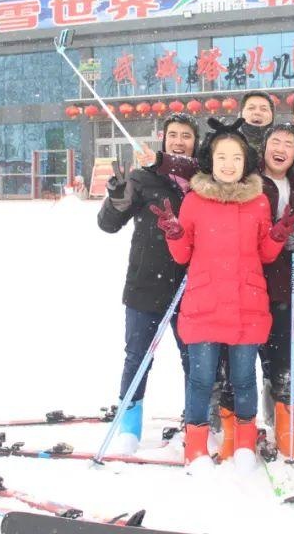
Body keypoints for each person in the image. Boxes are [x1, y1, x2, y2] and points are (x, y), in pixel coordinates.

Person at [153, 117, 294, 473]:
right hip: (204, 304)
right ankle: (196, 447)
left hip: (247, 305)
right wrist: (174, 232)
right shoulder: (194, 200)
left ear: (245, 162)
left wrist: (278, 235)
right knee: (202, 380)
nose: (229, 164)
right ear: (211, 160)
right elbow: (182, 255)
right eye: (222, 157)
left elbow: (265, 254)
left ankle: (246, 445)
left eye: (236, 158)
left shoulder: (258, 201)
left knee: (244, 379)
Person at [96, 115, 200, 453]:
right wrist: (117, 198)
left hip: (191, 286)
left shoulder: (204, 181)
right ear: (163, 139)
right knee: (137, 357)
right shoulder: (144, 178)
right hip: (146, 283)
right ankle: (129, 425)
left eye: (186, 136)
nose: (179, 141)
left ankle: (196, 422)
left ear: (195, 142)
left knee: (195, 359)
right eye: (173, 135)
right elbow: (109, 224)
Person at [255, 123, 294, 458]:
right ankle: (251, 419)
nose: (281, 148)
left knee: (283, 355)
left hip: (285, 282)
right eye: (275, 141)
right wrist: (274, 236)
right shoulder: (251, 183)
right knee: (254, 354)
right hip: (252, 278)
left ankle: (285, 423)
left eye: (289, 143)